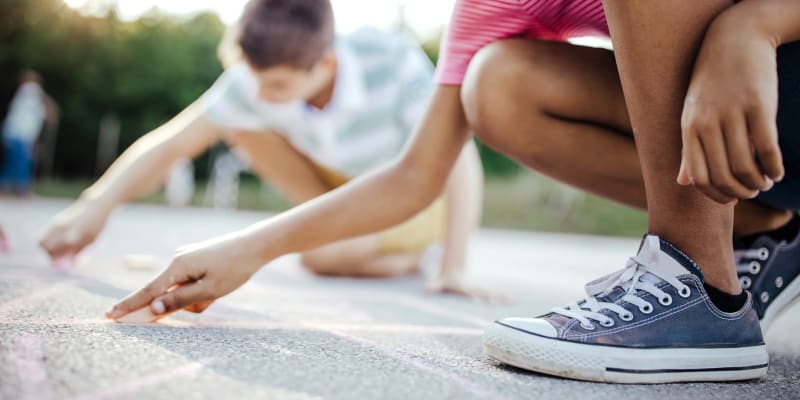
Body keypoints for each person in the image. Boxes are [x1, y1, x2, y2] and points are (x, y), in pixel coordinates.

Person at [103, 0, 798, 383]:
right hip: (772, 140)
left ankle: (700, 286)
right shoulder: (487, 6)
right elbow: (415, 176)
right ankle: (764, 224)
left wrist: (756, 22)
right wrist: (253, 246)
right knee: (497, 86)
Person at [38, 0, 489, 298]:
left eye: (277, 86)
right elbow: (172, 142)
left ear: (326, 64)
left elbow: (458, 158)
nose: (260, 93)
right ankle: (349, 236)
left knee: (320, 256)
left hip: (406, 188)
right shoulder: (256, 79)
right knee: (237, 125)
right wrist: (93, 206)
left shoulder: (390, 59)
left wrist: (455, 266)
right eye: (254, 79)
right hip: (333, 183)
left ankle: (407, 258)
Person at [0, 71, 56, 194]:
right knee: (22, 162)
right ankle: (22, 189)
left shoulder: (27, 98)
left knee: (13, 162)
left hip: (15, 134)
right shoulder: (30, 90)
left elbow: (45, 115)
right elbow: (48, 111)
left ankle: (6, 187)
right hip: (20, 135)